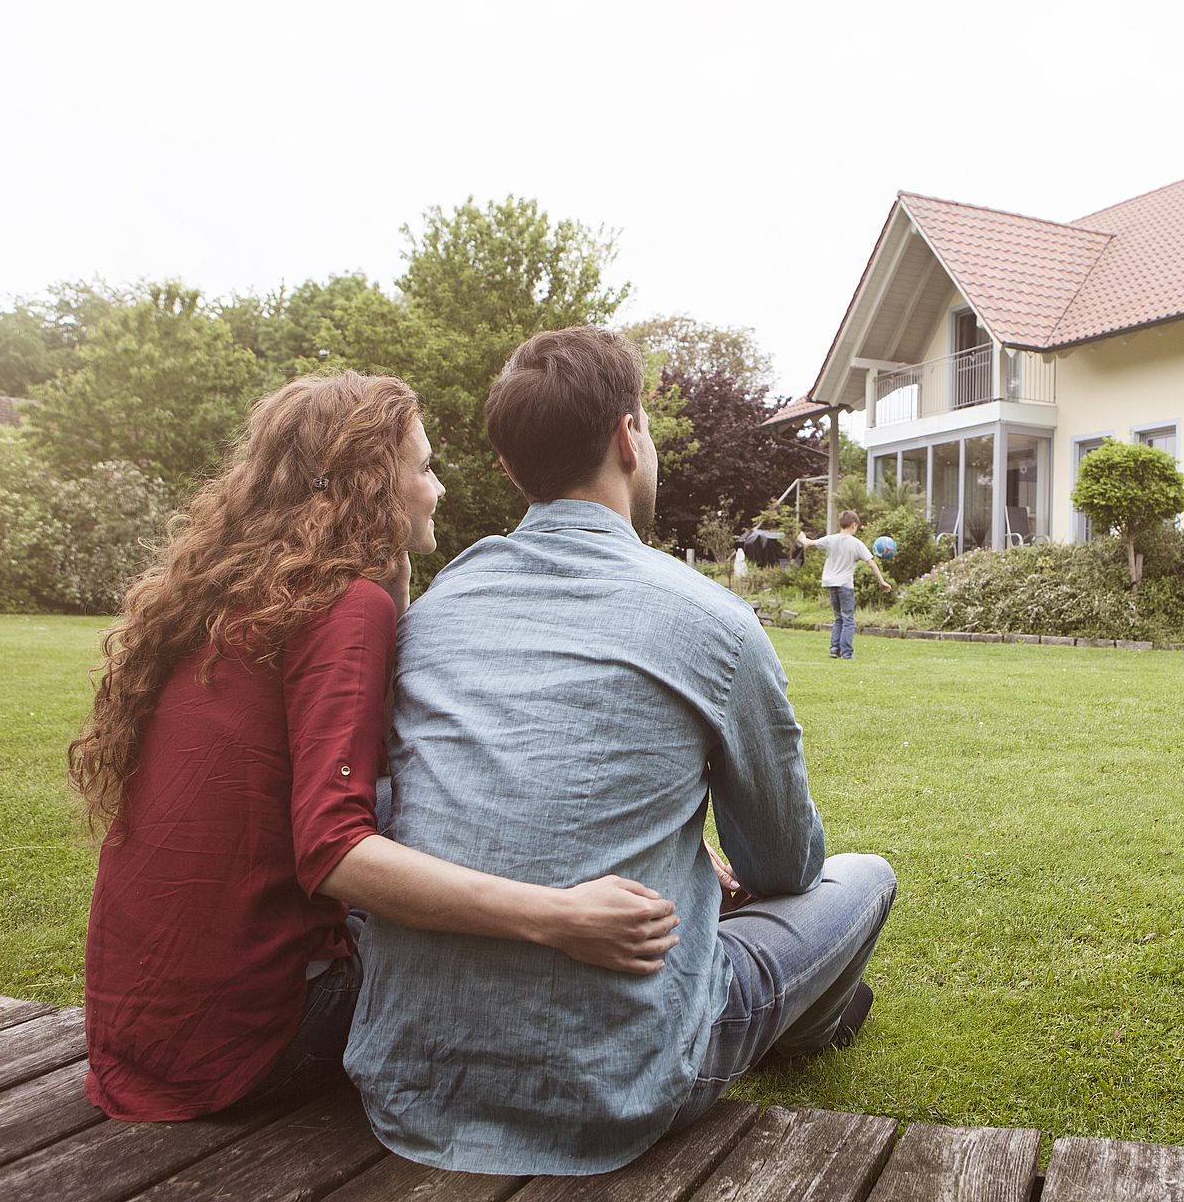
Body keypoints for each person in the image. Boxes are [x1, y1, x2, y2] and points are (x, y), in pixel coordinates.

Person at [347, 327, 897, 1177]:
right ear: (628, 436)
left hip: (409, 1080)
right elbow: (785, 865)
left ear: (508, 468)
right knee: (864, 877)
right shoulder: (712, 620)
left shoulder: (440, 604)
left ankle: (806, 1008)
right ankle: (813, 1022)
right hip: (625, 1082)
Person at [73, 372, 679, 1122]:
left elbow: (388, 764)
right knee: (494, 936)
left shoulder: (236, 594)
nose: (439, 489)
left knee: (411, 803)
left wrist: (394, 588)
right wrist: (556, 915)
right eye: (423, 468)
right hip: (253, 1043)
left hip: (140, 1034)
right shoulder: (341, 605)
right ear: (371, 486)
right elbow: (334, 853)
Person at [798, 509, 891, 659]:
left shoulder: (830, 539)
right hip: (845, 585)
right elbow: (871, 563)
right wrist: (882, 581)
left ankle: (834, 650)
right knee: (848, 619)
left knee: (838, 618)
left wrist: (801, 537)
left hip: (830, 583)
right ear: (854, 525)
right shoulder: (856, 543)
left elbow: (808, 543)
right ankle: (847, 653)